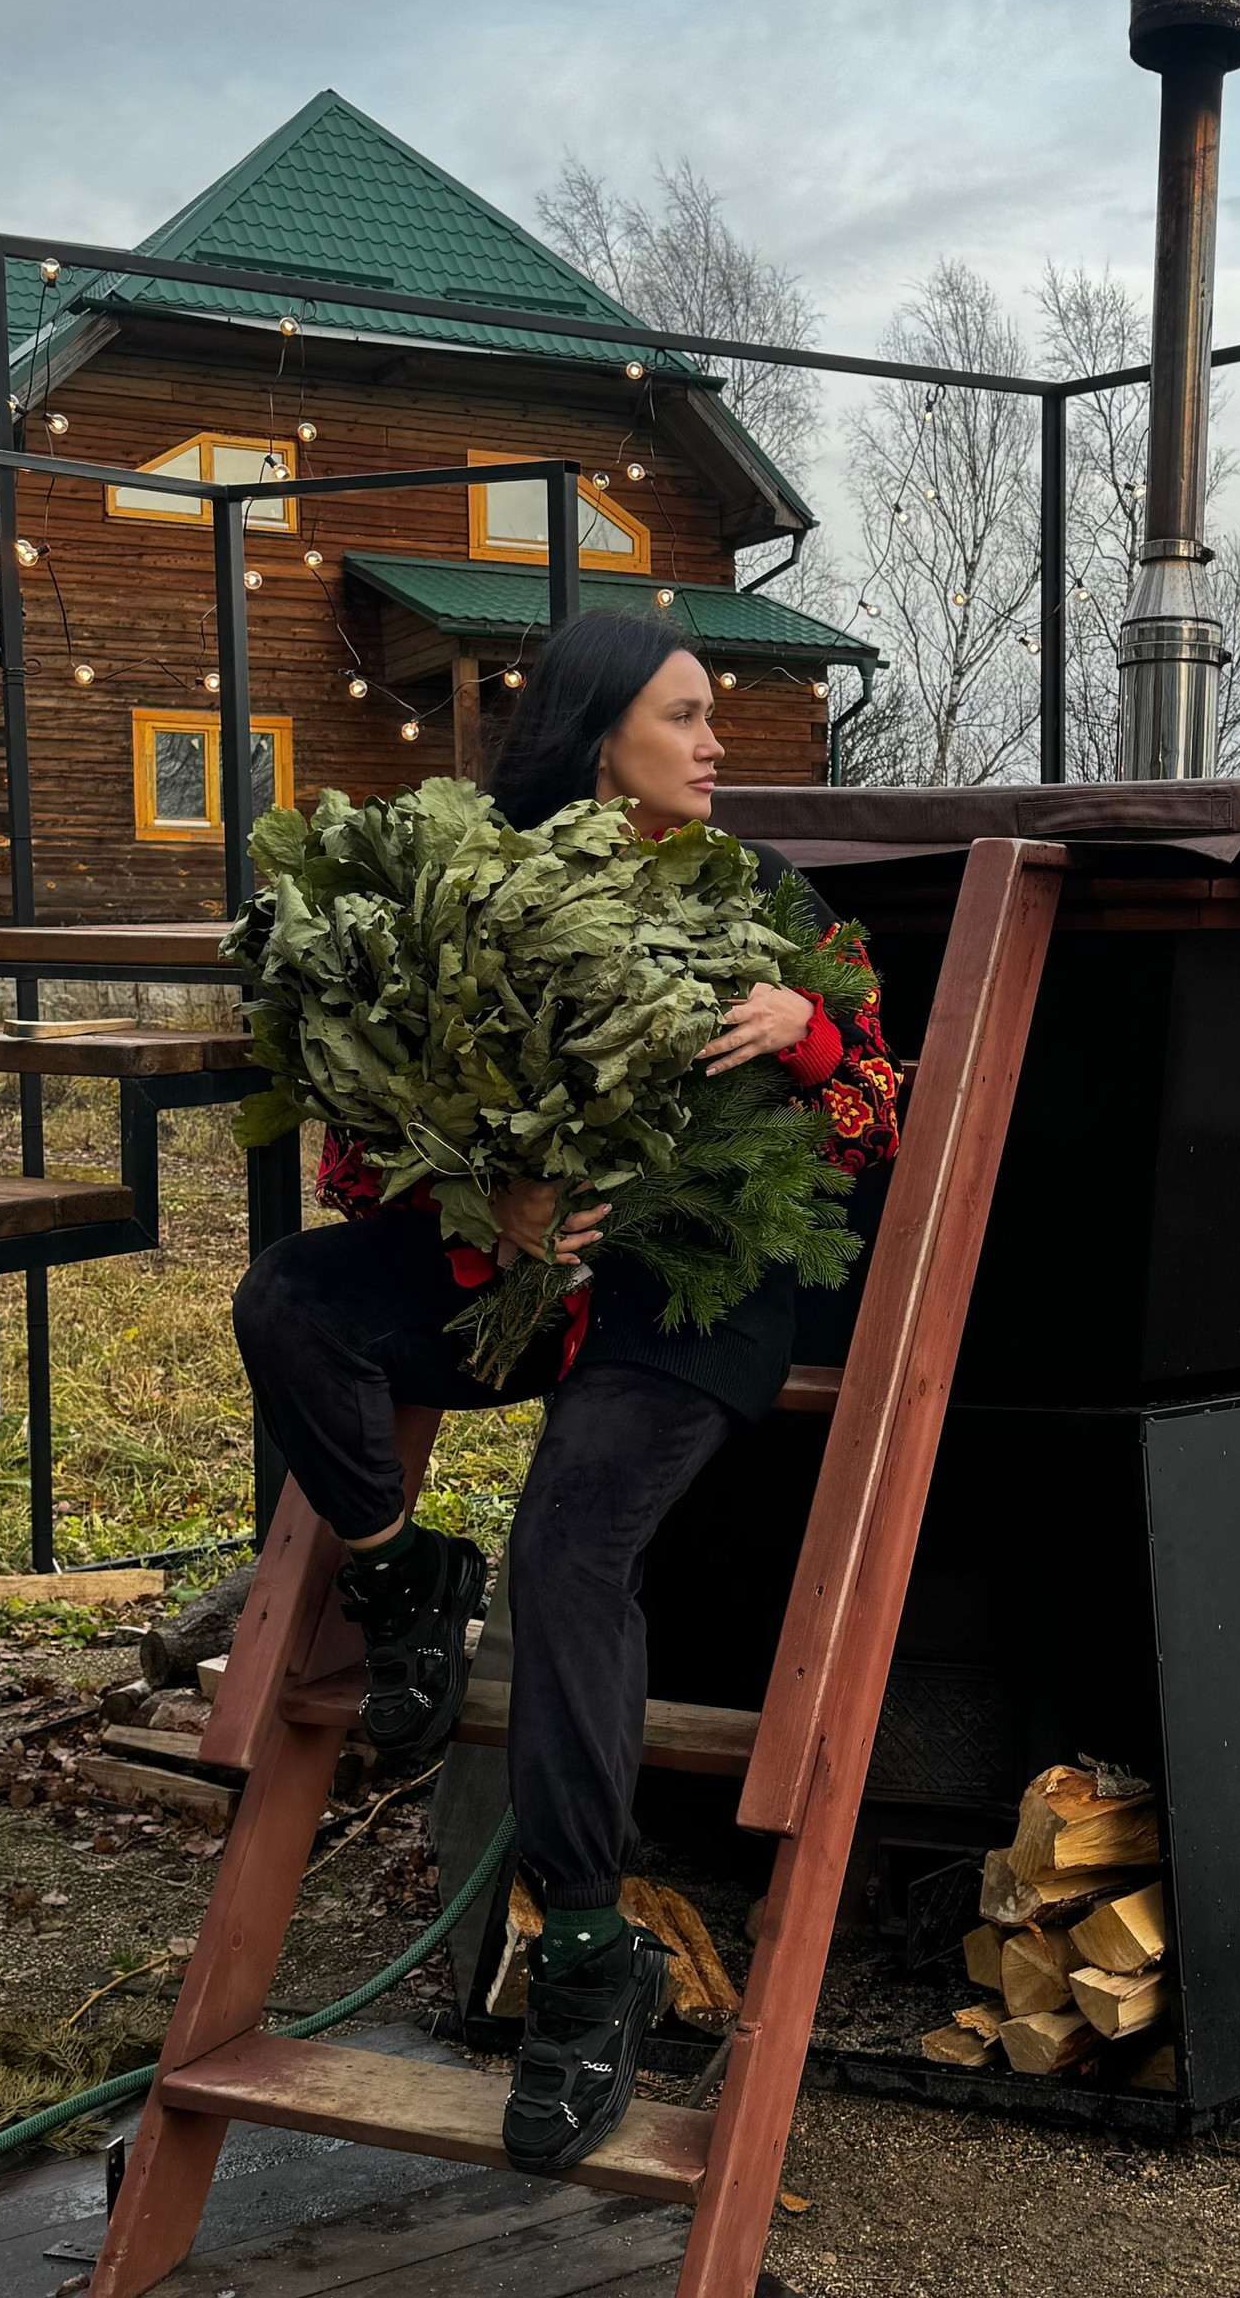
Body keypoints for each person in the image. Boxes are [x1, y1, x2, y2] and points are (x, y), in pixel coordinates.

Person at [231, 615, 897, 2174]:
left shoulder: (769, 909)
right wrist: (487, 1203)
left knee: (570, 1550)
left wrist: (808, 1040)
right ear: (602, 735)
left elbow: (881, 1121)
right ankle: (402, 1571)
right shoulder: (471, 887)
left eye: (717, 715)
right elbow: (355, 1133)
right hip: (514, 1276)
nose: (719, 741)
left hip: (691, 1292)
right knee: (288, 1298)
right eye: (687, 715)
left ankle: (590, 1961)